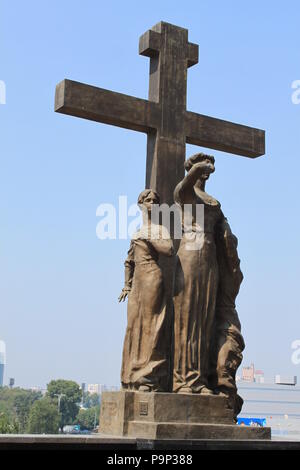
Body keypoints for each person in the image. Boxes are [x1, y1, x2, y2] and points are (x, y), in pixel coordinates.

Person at [173, 152, 244, 400]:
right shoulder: (185, 194)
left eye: (211, 165)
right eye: (203, 164)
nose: (208, 169)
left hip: (210, 260)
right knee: (187, 319)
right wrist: (194, 170)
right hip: (190, 256)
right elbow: (183, 188)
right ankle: (183, 380)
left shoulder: (214, 202)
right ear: (191, 167)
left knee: (205, 320)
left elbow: (225, 233)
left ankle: (200, 379)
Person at [119, 189, 174, 392]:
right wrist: (127, 284)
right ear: (141, 204)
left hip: (152, 277)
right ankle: (130, 375)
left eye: (154, 201)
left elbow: (168, 250)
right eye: (147, 200)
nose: (151, 203)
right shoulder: (136, 233)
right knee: (133, 325)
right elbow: (128, 261)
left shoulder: (159, 230)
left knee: (152, 325)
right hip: (138, 283)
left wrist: (149, 238)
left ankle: (148, 376)